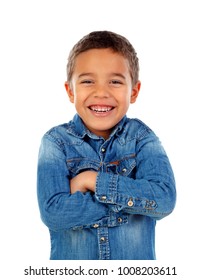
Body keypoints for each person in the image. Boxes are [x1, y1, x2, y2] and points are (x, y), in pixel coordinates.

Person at [37, 31, 176, 260]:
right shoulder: (55, 142)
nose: (101, 92)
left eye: (115, 81)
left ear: (134, 91)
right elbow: (54, 213)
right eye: (88, 81)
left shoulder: (142, 138)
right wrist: (132, 204)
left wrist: (91, 180)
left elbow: (163, 199)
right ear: (71, 91)